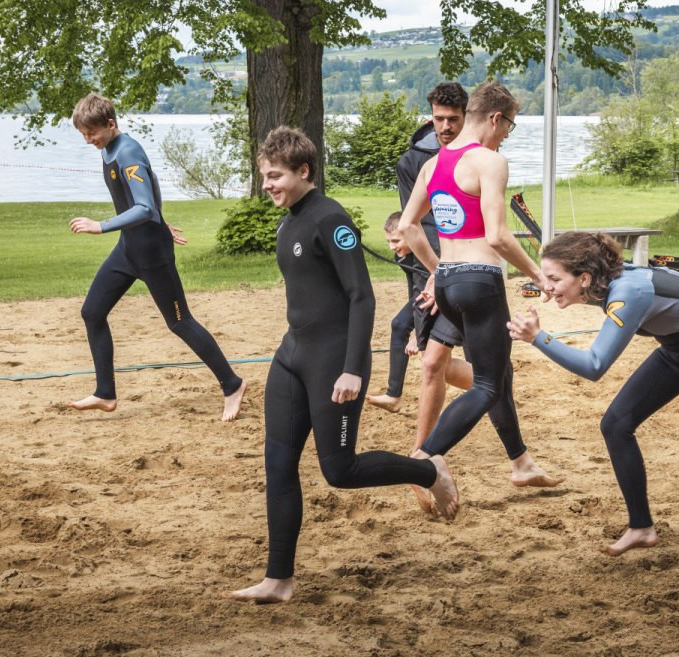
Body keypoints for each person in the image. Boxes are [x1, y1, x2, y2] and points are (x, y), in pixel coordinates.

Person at [229, 127, 459, 604]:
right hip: (291, 356)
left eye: (275, 176)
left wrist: (354, 368)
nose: (267, 184)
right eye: (264, 176)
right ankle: (279, 579)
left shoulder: (330, 219)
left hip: (334, 363)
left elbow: (362, 297)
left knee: (340, 470)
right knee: (277, 465)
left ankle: (428, 472)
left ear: (304, 171)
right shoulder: (289, 219)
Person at [508, 232, 679, 573]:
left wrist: (537, 337)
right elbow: (660, 273)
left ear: (583, 277)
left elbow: (594, 366)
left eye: (554, 279)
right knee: (615, 425)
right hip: (676, 352)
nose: (547, 286)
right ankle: (641, 527)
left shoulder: (627, 292)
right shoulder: (605, 279)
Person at [396, 80, 560, 492]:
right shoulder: (488, 161)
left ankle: (521, 463)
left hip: (450, 281)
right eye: (509, 126)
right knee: (487, 385)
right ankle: (424, 459)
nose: (506, 134)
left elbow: (406, 227)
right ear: (493, 118)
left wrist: (437, 270)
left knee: (496, 374)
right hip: (480, 281)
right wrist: (538, 275)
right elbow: (498, 237)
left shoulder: (434, 164)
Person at [67, 92, 246, 421]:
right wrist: (161, 220)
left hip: (152, 253)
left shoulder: (128, 150)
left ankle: (232, 384)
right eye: (83, 134)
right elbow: (149, 192)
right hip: (128, 249)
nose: (88, 139)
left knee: (180, 322)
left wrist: (101, 225)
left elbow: (144, 206)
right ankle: (105, 393)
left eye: (91, 132)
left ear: (111, 123)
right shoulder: (109, 148)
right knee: (92, 312)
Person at [365, 211, 433, 412]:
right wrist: (413, 323)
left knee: (436, 355)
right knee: (399, 324)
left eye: (395, 240)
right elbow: (414, 288)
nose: (391, 246)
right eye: (388, 241)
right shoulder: (402, 256)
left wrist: (419, 335)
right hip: (423, 295)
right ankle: (393, 396)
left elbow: (435, 290)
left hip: (443, 298)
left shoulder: (426, 253)